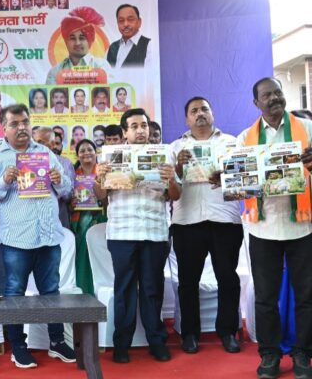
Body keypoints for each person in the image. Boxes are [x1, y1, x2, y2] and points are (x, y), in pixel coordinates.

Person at [0, 104, 76, 369]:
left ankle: (57, 342)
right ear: (4, 128)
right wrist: (3, 181)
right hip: (15, 239)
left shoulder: (44, 152)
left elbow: (67, 189)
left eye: (25, 122)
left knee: (51, 291)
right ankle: (18, 347)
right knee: (14, 294)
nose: (21, 128)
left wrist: (58, 179)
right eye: (15, 124)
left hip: (48, 235)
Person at [236, 77, 312, 379]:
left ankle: (303, 353)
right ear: (256, 103)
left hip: (303, 226)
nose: (274, 98)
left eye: (277, 92)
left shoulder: (307, 129)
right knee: (266, 297)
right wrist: (230, 180)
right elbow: (239, 184)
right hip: (263, 228)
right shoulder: (246, 137)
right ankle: (269, 354)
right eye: (266, 95)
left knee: (307, 295)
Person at [93, 108, 181, 364]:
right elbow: (100, 196)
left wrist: (171, 180)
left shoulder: (165, 154)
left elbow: (175, 195)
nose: (141, 130)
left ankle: (157, 341)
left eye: (144, 125)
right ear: (125, 132)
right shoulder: (110, 158)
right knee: (125, 289)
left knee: (152, 288)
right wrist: (99, 179)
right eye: (134, 126)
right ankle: (122, 344)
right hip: (122, 231)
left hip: (155, 230)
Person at [170, 96, 243, 355]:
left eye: (204, 109)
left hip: (224, 219)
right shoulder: (176, 147)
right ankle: (190, 333)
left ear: (212, 114)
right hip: (187, 221)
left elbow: (245, 182)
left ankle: (228, 331)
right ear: (187, 119)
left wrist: (227, 177)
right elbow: (170, 190)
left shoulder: (232, 143)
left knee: (227, 277)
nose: (200, 114)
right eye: (194, 111)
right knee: (188, 281)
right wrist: (179, 167)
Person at [70, 139, 106, 295]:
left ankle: (100, 293)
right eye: (82, 151)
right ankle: (84, 292)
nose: (86, 153)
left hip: (101, 219)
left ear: (96, 153)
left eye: (90, 150)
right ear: (77, 155)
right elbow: (67, 202)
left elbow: (107, 199)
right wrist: (71, 203)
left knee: (99, 258)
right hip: (79, 221)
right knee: (82, 257)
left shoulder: (104, 172)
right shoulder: (73, 175)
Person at [46, 7, 112, 85]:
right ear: (66, 41)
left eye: (82, 38)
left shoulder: (101, 66)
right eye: (72, 38)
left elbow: (110, 90)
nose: (77, 43)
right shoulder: (55, 71)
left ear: (90, 40)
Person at [33, 127, 75, 230]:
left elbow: (69, 194)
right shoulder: (25, 162)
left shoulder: (64, 163)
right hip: (32, 220)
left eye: (40, 142)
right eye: (34, 141)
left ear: (52, 144)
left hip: (58, 217)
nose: (35, 145)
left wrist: (59, 182)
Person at [107, 4, 151, 68]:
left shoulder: (149, 45)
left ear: (139, 22)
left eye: (130, 19)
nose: (125, 24)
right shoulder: (112, 47)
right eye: (121, 20)